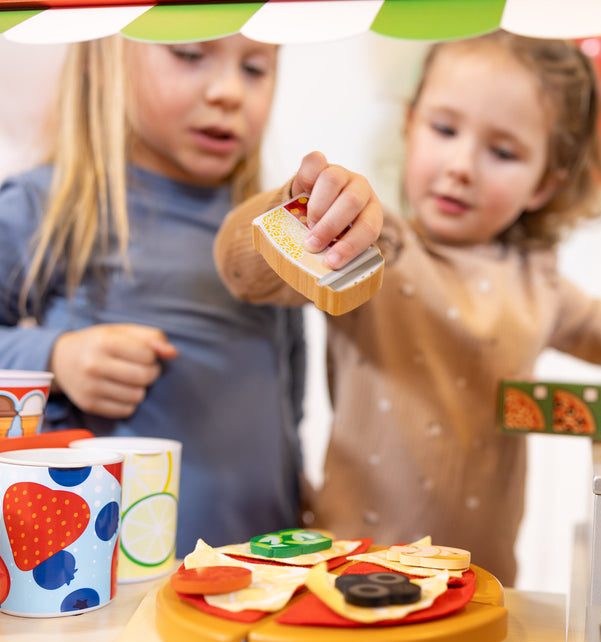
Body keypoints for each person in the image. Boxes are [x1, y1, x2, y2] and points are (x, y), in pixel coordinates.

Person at [213, 31, 601, 584]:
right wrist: (298, 212)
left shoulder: (539, 284)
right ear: (409, 125)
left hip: (479, 584)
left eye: (504, 152)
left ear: (545, 183)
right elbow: (240, 272)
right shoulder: (373, 247)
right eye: (444, 129)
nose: (462, 165)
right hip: (350, 571)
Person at [0, 34, 381, 557]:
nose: (229, 92)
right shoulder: (42, 205)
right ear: (102, 63)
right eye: (188, 54)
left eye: (255, 68)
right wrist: (54, 358)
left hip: (260, 566)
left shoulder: (272, 228)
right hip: (115, 575)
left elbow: (285, 399)